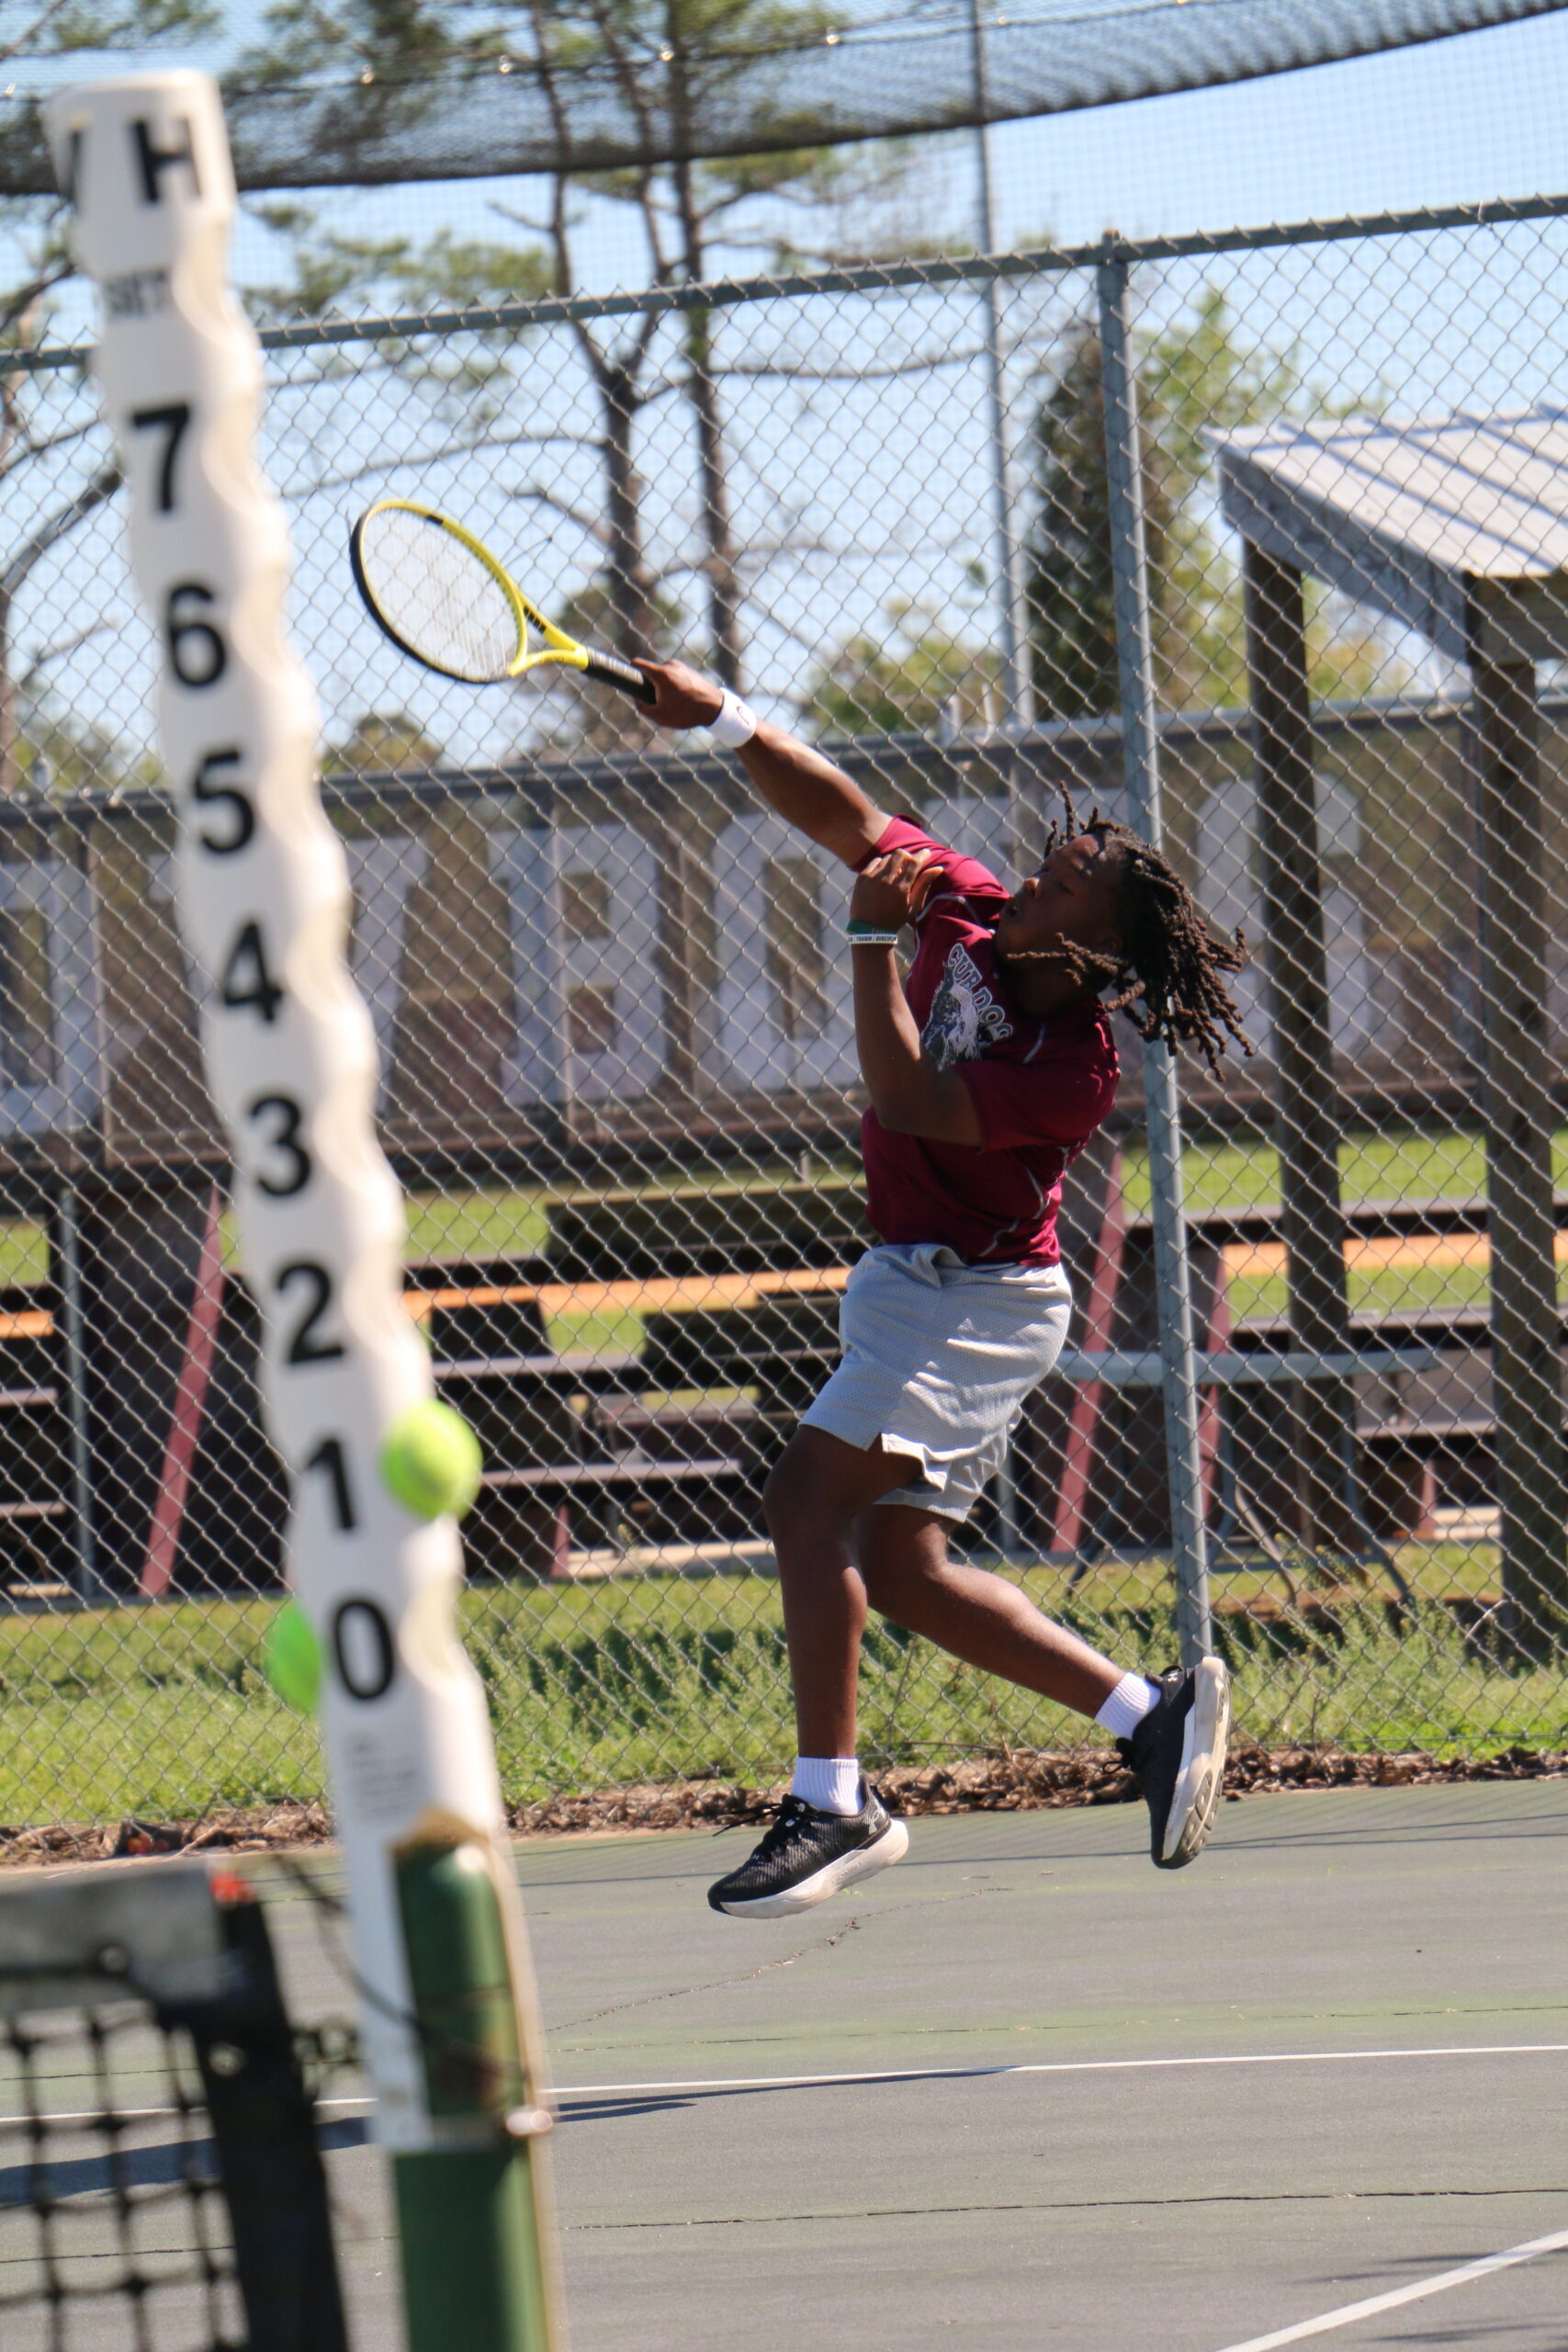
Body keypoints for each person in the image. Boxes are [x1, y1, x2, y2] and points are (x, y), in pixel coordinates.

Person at [640, 661, 1252, 1920]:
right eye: (1047, 864)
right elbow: (847, 817)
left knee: (804, 1499)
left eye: (1064, 884)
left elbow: (912, 1098)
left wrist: (871, 941)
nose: (1031, 880)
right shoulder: (971, 906)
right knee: (903, 1567)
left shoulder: (1074, 1068)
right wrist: (728, 720)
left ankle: (832, 1803)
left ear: (1094, 950)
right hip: (910, 1281)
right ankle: (1148, 1715)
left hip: (978, 1305)